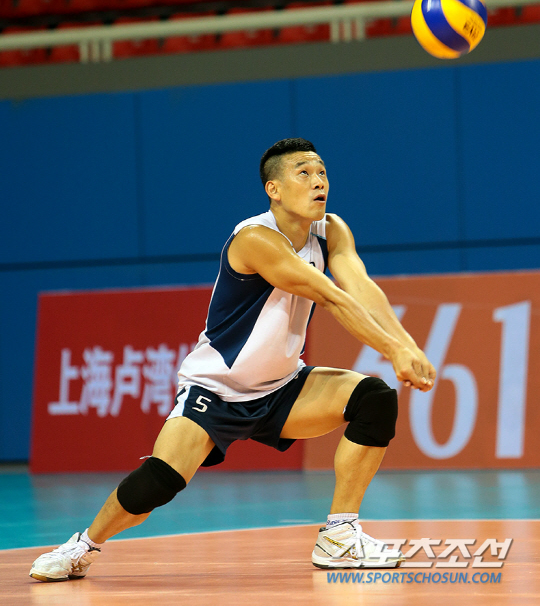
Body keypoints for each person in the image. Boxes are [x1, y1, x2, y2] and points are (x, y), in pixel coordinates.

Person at [30, 137, 436, 582]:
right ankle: (83, 546)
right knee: (159, 481)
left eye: (322, 172)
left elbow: (359, 286)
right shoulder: (255, 239)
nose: (319, 181)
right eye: (303, 173)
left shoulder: (331, 230)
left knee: (374, 399)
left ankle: (339, 535)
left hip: (283, 389)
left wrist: (407, 344)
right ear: (273, 189)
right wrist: (392, 350)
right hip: (216, 390)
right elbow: (330, 296)